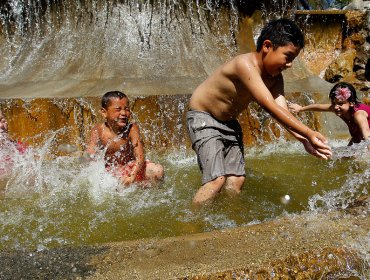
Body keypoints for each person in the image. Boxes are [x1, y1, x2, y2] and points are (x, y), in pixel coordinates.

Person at [186, 18, 332, 206]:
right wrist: (309, 132)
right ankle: (192, 225)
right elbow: (269, 106)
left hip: (229, 123)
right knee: (216, 180)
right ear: (267, 46)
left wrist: (303, 140)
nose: (290, 65)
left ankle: (229, 221)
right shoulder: (244, 65)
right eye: (287, 56)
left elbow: (282, 112)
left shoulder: (276, 79)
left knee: (236, 180)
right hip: (203, 118)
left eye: (293, 59)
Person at [86, 91, 164, 187]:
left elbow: (140, 157)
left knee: (158, 171)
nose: (123, 113)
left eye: (126, 109)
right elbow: (90, 153)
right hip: (112, 171)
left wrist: (131, 176)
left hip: (131, 167)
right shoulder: (98, 130)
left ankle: (150, 194)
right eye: (118, 109)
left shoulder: (131, 128)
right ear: (104, 112)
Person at [289, 82, 370, 146]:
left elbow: (367, 136)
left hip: (367, 137)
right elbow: (319, 107)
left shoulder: (359, 115)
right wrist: (301, 109)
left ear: (351, 103)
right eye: (333, 103)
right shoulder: (339, 109)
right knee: (343, 160)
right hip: (358, 137)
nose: (335, 107)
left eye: (340, 103)